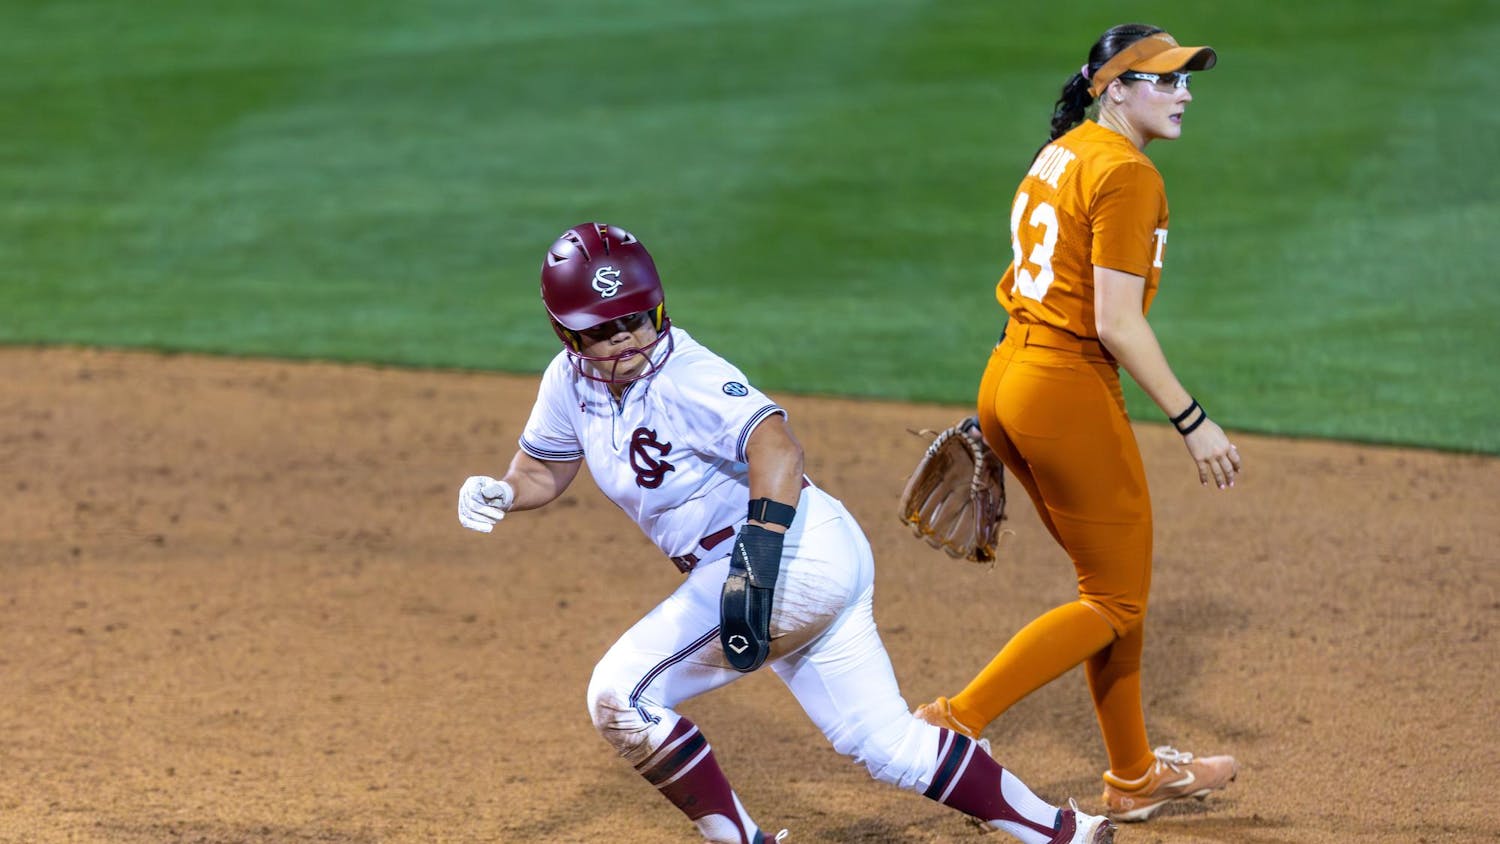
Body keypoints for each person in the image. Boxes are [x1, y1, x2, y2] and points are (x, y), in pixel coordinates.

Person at [457, 222, 1115, 843]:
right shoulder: (568, 384)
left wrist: (757, 562)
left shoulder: (689, 374)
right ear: (567, 334)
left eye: (637, 318)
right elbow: (543, 466)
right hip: (806, 554)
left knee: (619, 695)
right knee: (887, 744)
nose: (626, 340)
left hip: (783, 553)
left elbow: (776, 448)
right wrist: (504, 491)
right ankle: (1065, 832)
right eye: (604, 331)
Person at [913, 25, 1243, 823]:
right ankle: (947, 725)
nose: (1183, 93)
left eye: (1185, 80)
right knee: (1117, 602)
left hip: (1013, 377)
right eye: (1163, 81)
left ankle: (1133, 776)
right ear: (1115, 89)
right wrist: (1193, 420)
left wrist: (1006, 413)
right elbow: (1118, 324)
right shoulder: (1127, 173)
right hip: (1061, 387)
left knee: (1111, 589)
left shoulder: (1060, 152)